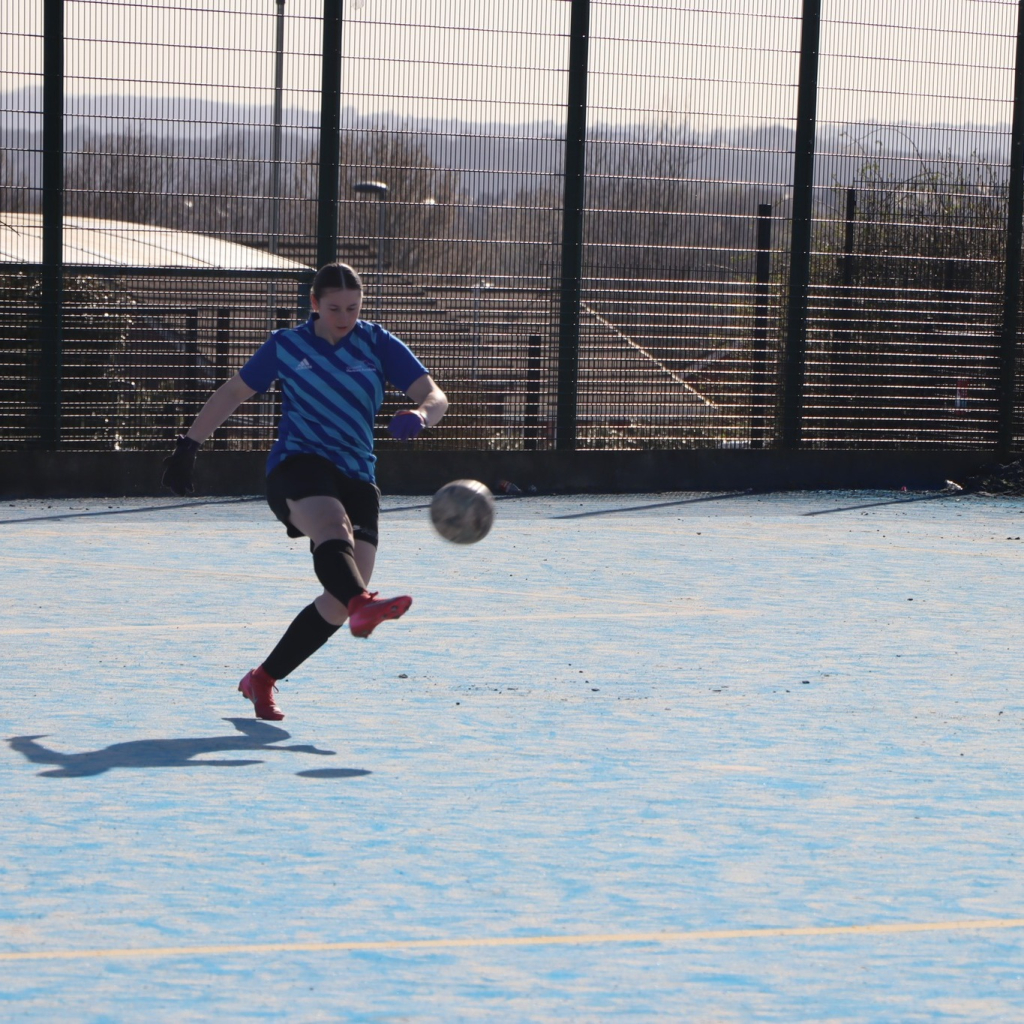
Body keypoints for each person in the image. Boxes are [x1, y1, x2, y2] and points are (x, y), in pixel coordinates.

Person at [161, 262, 448, 721]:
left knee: (340, 601)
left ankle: (262, 679)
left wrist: (421, 415)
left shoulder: (376, 342)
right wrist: (189, 444)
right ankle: (364, 605)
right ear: (314, 304)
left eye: (353, 308)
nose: (344, 316)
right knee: (333, 527)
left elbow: (434, 394)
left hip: (357, 473)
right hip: (298, 465)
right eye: (333, 307)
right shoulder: (286, 345)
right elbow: (234, 392)